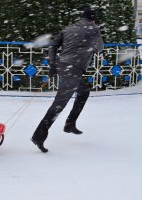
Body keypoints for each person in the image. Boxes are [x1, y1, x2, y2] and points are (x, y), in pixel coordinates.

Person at [31, 5, 103, 152]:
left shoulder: (68, 28)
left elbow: (53, 46)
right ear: (93, 18)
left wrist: (52, 64)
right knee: (60, 103)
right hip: (73, 68)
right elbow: (100, 48)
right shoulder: (94, 28)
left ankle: (70, 123)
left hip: (64, 65)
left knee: (84, 91)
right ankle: (39, 134)